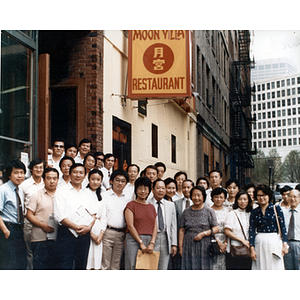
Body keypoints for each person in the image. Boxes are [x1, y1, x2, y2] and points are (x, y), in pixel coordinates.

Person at [53, 163, 96, 270]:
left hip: (84, 234)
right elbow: (59, 215)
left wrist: (89, 227)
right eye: (75, 172)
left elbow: (93, 214)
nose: (78, 175)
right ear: (70, 173)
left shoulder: (88, 193)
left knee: (81, 265)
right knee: (64, 265)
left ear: (85, 175)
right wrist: (75, 227)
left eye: (81, 173)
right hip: (66, 233)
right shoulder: (61, 191)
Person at [178, 186, 219, 270]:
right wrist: (181, 247)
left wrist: (203, 234)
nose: (196, 198)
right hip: (188, 245)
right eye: (194, 195)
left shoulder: (209, 211)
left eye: (199, 195)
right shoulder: (186, 211)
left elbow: (216, 228)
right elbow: (182, 230)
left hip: (205, 245)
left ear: (203, 196)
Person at [26, 168, 59, 270]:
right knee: (40, 267)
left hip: (58, 238)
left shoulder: (61, 195)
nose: (52, 181)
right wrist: (42, 225)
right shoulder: (36, 195)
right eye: (48, 178)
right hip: (40, 237)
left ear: (58, 180)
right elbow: (29, 214)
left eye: (54, 178)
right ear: (43, 180)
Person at [249, 184, 288, 270]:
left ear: (269, 196)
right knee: (260, 266)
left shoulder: (276, 209)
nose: (261, 198)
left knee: (275, 267)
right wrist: (252, 248)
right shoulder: (254, 212)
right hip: (259, 242)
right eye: (259, 195)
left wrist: (284, 244)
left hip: (274, 241)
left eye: (264, 195)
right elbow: (251, 230)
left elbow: (283, 227)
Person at [124, 176, 157, 270]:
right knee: (132, 266)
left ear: (149, 190)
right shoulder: (131, 205)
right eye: (140, 188)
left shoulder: (151, 207)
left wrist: (152, 243)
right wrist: (140, 242)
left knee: (147, 268)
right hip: (133, 240)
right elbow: (130, 226)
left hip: (149, 241)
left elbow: (155, 227)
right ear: (136, 190)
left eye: (145, 188)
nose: (143, 191)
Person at [0, 160, 27, 269]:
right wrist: (6, 232)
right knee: (8, 263)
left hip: (20, 230)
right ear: (9, 174)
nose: (20, 176)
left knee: (20, 263)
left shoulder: (20, 189)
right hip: (8, 229)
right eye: (16, 173)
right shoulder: (3, 190)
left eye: (22, 172)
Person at [101, 169, 130, 270]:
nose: (120, 183)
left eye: (123, 181)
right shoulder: (104, 196)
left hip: (121, 234)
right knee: (105, 264)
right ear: (111, 181)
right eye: (117, 180)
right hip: (107, 233)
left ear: (126, 184)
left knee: (116, 265)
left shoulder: (128, 199)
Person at [20, 158, 45, 270]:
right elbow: (20, 205)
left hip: (46, 223)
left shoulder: (46, 182)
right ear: (31, 169)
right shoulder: (24, 185)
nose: (39, 170)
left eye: (41, 167)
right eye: (36, 167)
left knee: (44, 251)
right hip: (30, 223)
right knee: (30, 252)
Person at [147, 179, 177, 270]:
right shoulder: (147, 203)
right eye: (158, 188)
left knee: (163, 267)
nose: (161, 190)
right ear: (152, 190)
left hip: (165, 238)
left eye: (163, 188)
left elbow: (173, 225)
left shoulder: (170, 205)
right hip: (152, 238)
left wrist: (174, 244)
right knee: (151, 267)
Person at [225, 190, 252, 270]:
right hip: (235, 249)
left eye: (245, 199)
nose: (242, 202)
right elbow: (227, 231)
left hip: (248, 250)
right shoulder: (232, 214)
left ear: (248, 201)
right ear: (236, 200)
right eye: (240, 199)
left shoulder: (251, 214)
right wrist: (242, 240)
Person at [85, 169, 106, 270]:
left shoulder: (101, 196)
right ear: (88, 179)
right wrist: (91, 234)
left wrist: (101, 234)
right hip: (87, 231)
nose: (95, 182)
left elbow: (103, 217)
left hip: (98, 233)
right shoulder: (83, 193)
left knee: (96, 263)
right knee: (87, 261)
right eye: (93, 179)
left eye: (98, 179)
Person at [173, 179, 194, 269]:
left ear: (192, 188)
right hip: (180, 238)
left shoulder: (200, 203)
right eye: (184, 187)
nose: (186, 189)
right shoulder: (175, 203)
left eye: (188, 187)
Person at [211, 187, 229, 270]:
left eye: (221, 197)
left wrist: (224, 244)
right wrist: (218, 243)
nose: (218, 199)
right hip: (211, 242)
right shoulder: (208, 211)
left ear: (225, 198)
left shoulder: (228, 212)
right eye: (216, 197)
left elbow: (229, 229)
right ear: (212, 198)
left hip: (225, 243)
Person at [283, 189, 300, 270]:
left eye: (295, 197)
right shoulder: (284, 213)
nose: (292, 199)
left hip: (298, 244)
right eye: (290, 196)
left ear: (299, 198)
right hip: (287, 246)